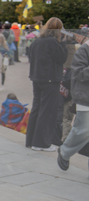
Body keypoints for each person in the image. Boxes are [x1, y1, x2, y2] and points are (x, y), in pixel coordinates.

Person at [26, 17, 69, 151]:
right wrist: (63, 43)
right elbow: (62, 58)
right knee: (48, 111)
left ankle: (31, 140)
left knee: (37, 108)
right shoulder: (53, 42)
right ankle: (41, 143)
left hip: (37, 78)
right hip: (50, 80)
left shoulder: (37, 41)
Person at [58, 37, 89, 172]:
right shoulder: (84, 50)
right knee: (82, 130)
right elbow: (78, 74)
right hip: (85, 98)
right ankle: (64, 151)